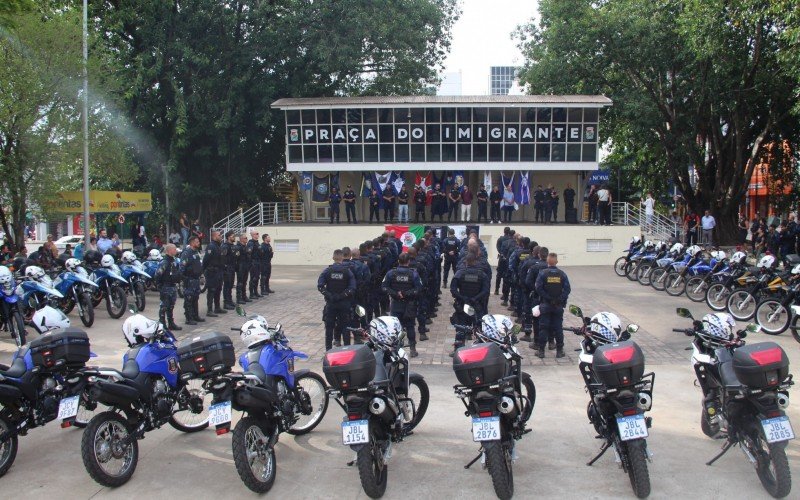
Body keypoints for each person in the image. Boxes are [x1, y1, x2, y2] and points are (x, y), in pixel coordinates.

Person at [382, 252, 423, 357]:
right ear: (408, 262)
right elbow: (418, 289)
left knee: (396, 328)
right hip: (409, 304)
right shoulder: (413, 274)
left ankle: (396, 350)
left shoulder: (391, 273)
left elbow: (384, 287)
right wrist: (406, 294)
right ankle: (412, 349)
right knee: (410, 326)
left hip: (396, 304)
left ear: (398, 261)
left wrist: (396, 294)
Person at [449, 253, 490, 354]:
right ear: (476, 262)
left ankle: (457, 349)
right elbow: (486, 290)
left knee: (461, 326)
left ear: (466, 262)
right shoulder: (482, 274)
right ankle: (480, 349)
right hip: (476, 304)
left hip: (464, 304)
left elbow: (453, 289)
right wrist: (475, 298)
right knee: (479, 327)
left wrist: (462, 298)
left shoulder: (460, 273)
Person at [534, 252, 571, 359]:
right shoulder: (562, 274)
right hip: (558, 306)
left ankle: (541, 351)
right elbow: (567, 289)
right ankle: (559, 351)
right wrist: (558, 299)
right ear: (557, 262)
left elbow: (538, 288)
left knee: (543, 328)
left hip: (545, 304)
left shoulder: (542, 273)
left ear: (547, 261)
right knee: (558, 328)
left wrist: (548, 298)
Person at [318, 249, 356, 349]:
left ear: (333, 258)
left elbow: (320, 286)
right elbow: (352, 288)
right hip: (344, 303)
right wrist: (342, 295)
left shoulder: (327, 271)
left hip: (331, 303)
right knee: (345, 327)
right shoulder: (347, 272)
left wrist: (329, 295)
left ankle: (328, 349)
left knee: (329, 327)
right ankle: (347, 349)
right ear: (342, 258)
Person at [155, 244, 182, 331]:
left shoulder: (174, 261)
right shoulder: (165, 262)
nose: (176, 251)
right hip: (166, 287)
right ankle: (162, 324)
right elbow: (158, 274)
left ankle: (171, 323)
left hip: (173, 286)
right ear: (170, 251)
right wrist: (159, 286)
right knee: (164, 307)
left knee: (171, 306)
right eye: (174, 249)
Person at [180, 236, 204, 325]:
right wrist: (184, 279)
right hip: (189, 280)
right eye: (197, 242)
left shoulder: (196, 252)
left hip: (196, 279)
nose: (199, 243)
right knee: (189, 299)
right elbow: (182, 267)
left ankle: (195, 315)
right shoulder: (186, 253)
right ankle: (189, 318)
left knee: (195, 298)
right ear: (192, 243)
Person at [202, 230, 227, 316]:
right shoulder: (211, 246)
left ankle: (217, 307)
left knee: (218, 289)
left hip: (219, 271)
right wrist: (203, 270)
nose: (221, 237)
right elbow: (206, 259)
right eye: (219, 235)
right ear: (214, 237)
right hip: (212, 272)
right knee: (211, 290)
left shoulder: (218, 246)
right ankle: (209, 310)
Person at [221, 230, 238, 309]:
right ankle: (226, 302)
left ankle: (230, 300)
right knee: (227, 285)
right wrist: (225, 268)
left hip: (232, 268)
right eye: (232, 236)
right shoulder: (225, 246)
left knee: (231, 285)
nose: (234, 237)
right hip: (227, 268)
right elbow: (223, 258)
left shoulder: (233, 246)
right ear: (228, 237)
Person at [247, 230, 262, 299]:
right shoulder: (251, 243)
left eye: (258, 234)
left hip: (258, 262)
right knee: (253, 278)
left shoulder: (257, 242)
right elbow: (249, 253)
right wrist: (251, 263)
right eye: (257, 234)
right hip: (254, 263)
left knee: (257, 278)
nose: (258, 235)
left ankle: (256, 292)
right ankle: (251, 294)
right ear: (253, 235)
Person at [236, 234, 251, 303]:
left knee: (244, 282)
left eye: (246, 238)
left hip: (246, 266)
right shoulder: (238, 247)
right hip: (240, 266)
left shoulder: (245, 246)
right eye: (245, 238)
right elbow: (236, 258)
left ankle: (244, 296)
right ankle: (239, 298)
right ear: (241, 239)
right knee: (240, 283)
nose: (246, 239)